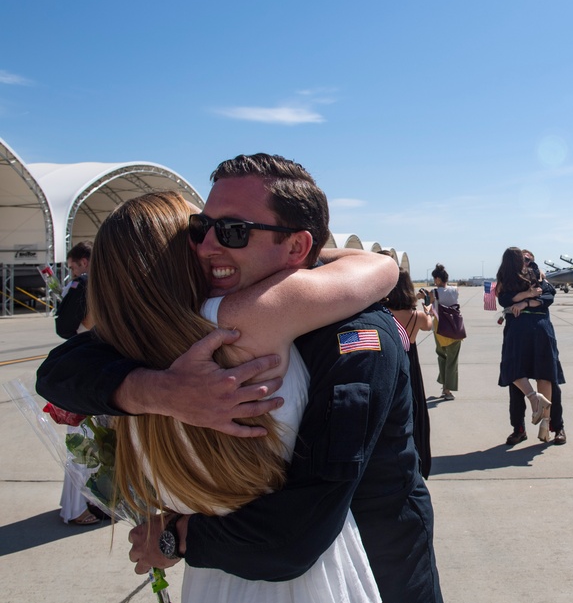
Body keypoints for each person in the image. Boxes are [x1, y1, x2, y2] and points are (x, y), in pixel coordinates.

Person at [37, 153, 443, 603]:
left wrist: (176, 536)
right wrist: (161, 390)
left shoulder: (356, 336)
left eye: (232, 232)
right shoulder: (203, 326)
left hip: (375, 567)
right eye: (199, 228)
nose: (207, 245)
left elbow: (299, 530)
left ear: (295, 247)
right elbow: (62, 369)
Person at [88, 191, 394, 601]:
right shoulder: (243, 321)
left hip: (211, 580)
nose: (209, 243)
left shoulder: (118, 363)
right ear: (180, 256)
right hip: (314, 577)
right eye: (197, 232)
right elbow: (379, 267)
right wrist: (300, 249)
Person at [495, 247, 567, 446]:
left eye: (531, 260)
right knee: (515, 377)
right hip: (518, 331)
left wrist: (526, 303)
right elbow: (504, 299)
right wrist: (528, 296)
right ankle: (519, 428)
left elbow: (549, 297)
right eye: (525, 259)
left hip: (540, 329)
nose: (528, 263)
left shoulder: (538, 275)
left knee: (548, 378)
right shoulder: (508, 280)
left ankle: (555, 425)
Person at [52, 241, 99, 525]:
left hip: (87, 367)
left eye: (73, 266)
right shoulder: (87, 287)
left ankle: (78, 503)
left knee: (89, 441)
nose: (71, 272)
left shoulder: (86, 286)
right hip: (91, 369)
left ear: (84, 261)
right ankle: (76, 508)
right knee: (86, 441)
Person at [381, 263, 434, 479]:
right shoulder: (415, 316)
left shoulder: (384, 313)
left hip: (391, 359)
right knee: (415, 408)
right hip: (410, 360)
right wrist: (428, 308)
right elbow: (429, 324)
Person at [427, 263, 460, 401]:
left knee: (442, 356)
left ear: (438, 279)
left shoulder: (434, 292)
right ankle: (447, 389)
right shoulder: (455, 290)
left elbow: (430, 306)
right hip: (455, 327)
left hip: (439, 327)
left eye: (435, 279)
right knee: (453, 359)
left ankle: (445, 388)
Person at [54, 241, 93, 339]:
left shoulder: (82, 284)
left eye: (72, 268)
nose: (73, 273)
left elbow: (65, 328)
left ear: (84, 262)